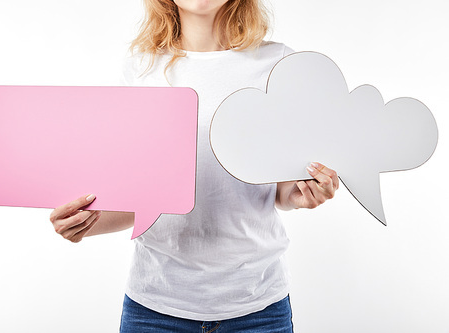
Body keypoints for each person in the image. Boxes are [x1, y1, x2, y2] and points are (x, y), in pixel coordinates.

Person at [49, 0, 339, 332]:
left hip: (258, 306)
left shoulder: (280, 63)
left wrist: (304, 192)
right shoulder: (141, 68)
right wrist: (86, 221)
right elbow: (142, 199)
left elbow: (284, 189)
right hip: (155, 308)